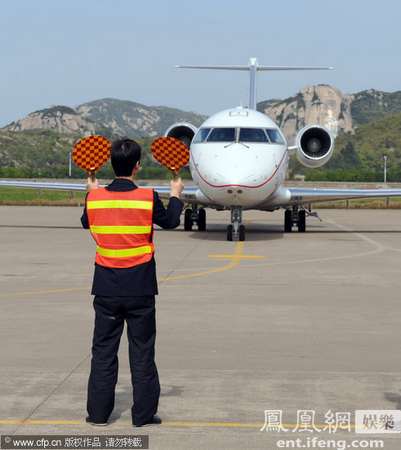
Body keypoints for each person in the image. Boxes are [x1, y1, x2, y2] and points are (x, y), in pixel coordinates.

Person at [80, 138, 184, 427]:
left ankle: (98, 414)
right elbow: (171, 221)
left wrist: (91, 190)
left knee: (103, 352)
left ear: (111, 164)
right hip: (140, 287)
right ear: (137, 166)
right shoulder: (147, 197)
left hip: (106, 287)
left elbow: (86, 222)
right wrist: (176, 194)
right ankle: (143, 415)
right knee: (142, 352)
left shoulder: (95, 198)